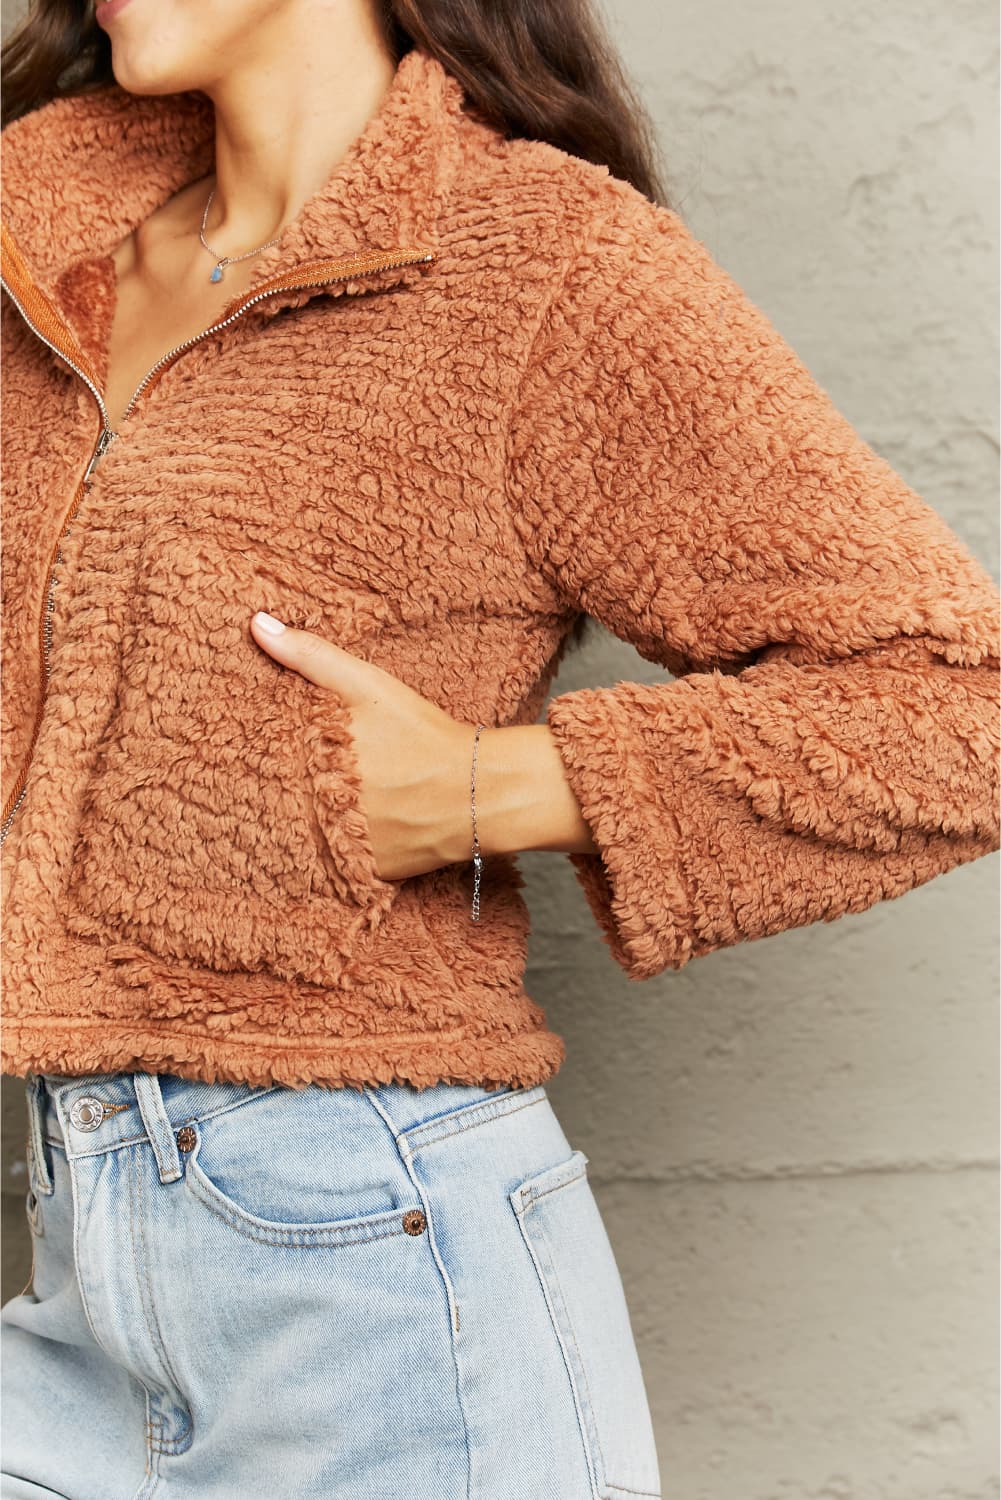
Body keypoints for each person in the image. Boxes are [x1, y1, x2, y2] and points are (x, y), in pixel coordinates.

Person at [0, 0, 997, 1491]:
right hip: (79, 1259)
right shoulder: (40, 249)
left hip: (386, 1275)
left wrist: (488, 789)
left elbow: (956, 704)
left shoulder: (540, 264)